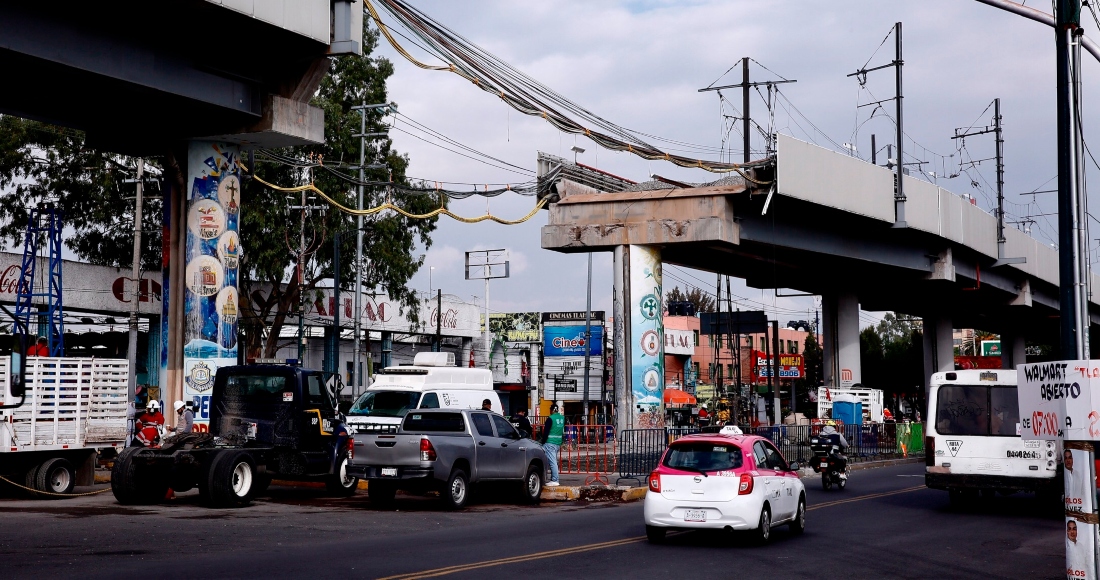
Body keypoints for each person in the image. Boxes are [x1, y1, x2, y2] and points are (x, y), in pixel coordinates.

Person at [539, 403, 564, 487]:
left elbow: (545, 432)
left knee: (552, 462)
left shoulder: (550, 418)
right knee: (553, 461)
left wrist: (542, 441)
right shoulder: (562, 418)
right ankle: (553, 478)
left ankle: (555, 480)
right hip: (557, 443)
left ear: (552, 410)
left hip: (550, 443)